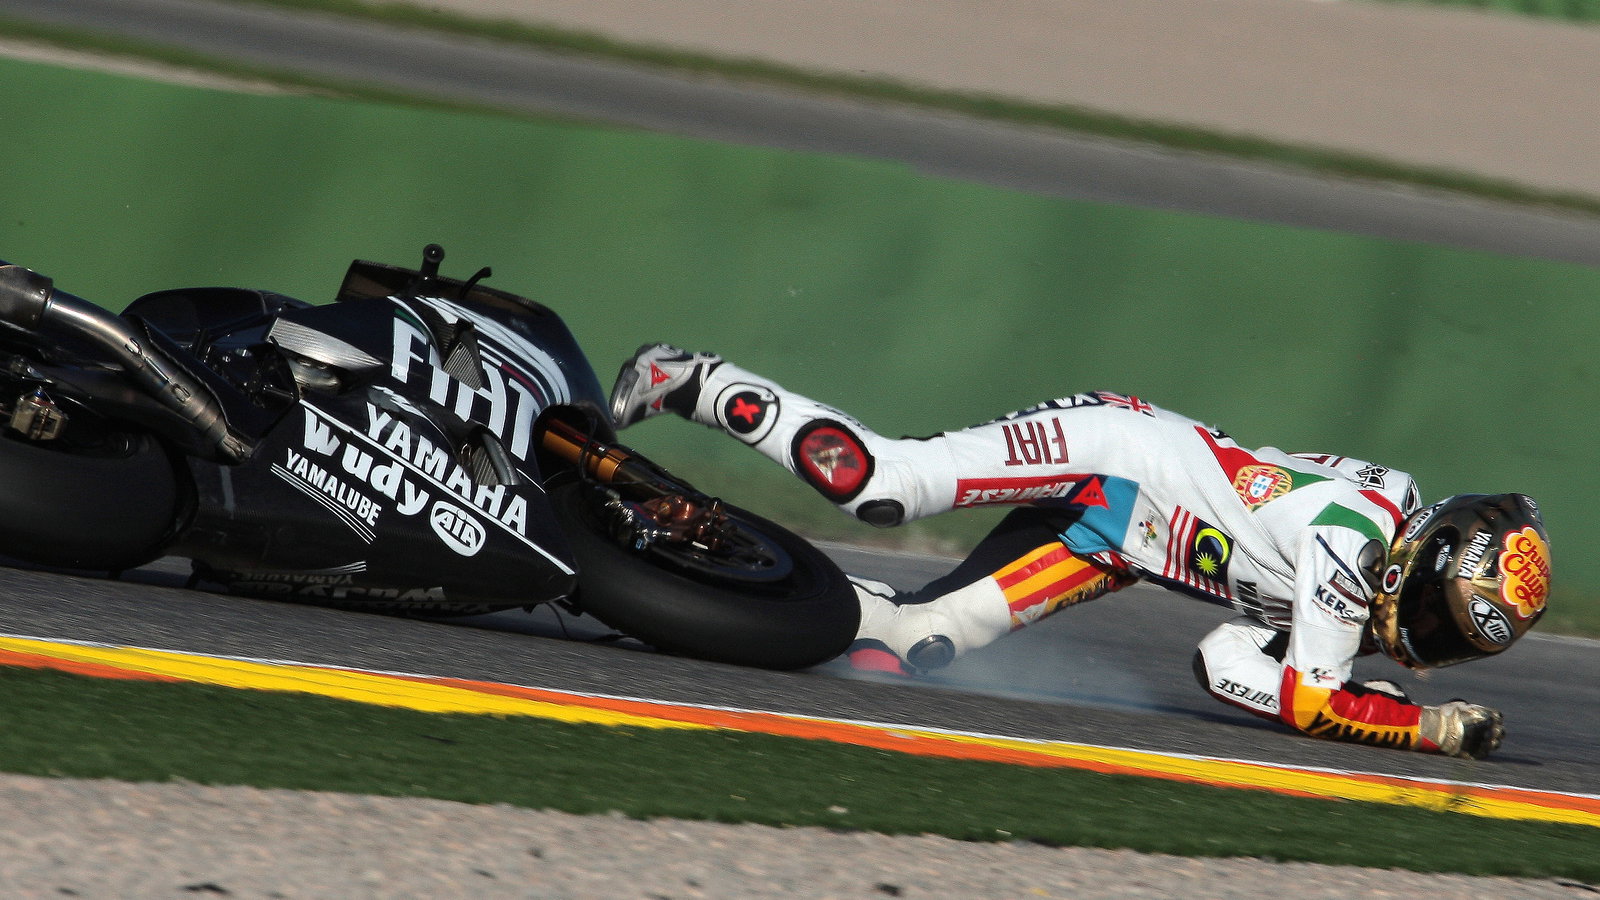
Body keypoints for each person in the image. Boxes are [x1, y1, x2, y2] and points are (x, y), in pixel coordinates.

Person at [608, 344, 1552, 760]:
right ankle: (688, 379)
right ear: (1421, 561)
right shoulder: (1350, 542)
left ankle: (684, 580)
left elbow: (1226, 666)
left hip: (1112, 544)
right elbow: (1309, 699)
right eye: (1439, 614)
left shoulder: (1368, 564)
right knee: (881, 486)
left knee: (904, 646)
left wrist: (1358, 698)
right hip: (1114, 455)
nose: (1430, 639)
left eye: (1458, 640)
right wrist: (1422, 728)